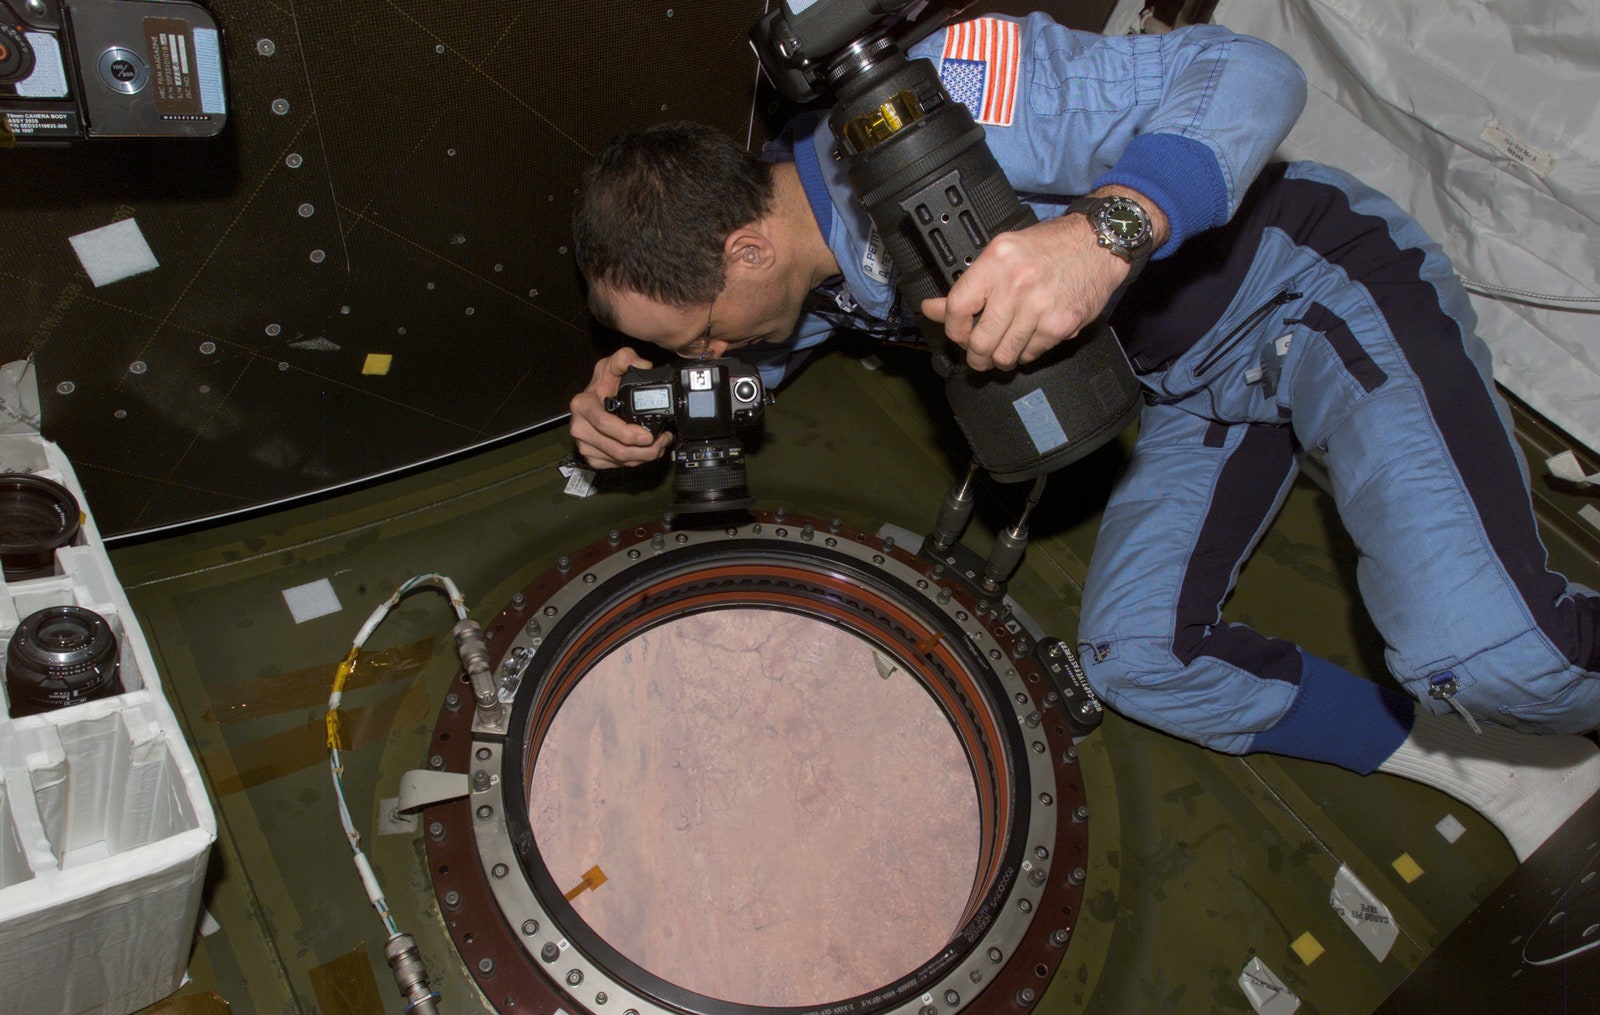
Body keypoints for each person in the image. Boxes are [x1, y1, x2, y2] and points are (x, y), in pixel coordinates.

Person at [568, 12, 1600, 860]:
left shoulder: (939, 105)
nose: (704, 353)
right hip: (1186, 385)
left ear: (747, 249)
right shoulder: (805, 263)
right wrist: (646, 407)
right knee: (1136, 656)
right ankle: (1468, 759)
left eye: (696, 334)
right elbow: (757, 362)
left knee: (1487, 650)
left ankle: (1502, 677)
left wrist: (1103, 232)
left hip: (1312, 291)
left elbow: (1249, 70)